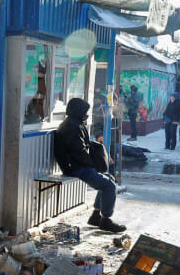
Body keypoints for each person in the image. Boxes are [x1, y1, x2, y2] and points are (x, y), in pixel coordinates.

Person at [54, 97, 126, 233]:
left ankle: (95, 216)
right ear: (78, 111)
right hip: (74, 168)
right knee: (109, 186)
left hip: (76, 165)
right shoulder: (71, 127)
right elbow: (79, 152)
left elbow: (84, 146)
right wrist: (94, 165)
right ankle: (105, 220)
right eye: (85, 112)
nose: (87, 114)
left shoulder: (75, 123)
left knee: (109, 178)